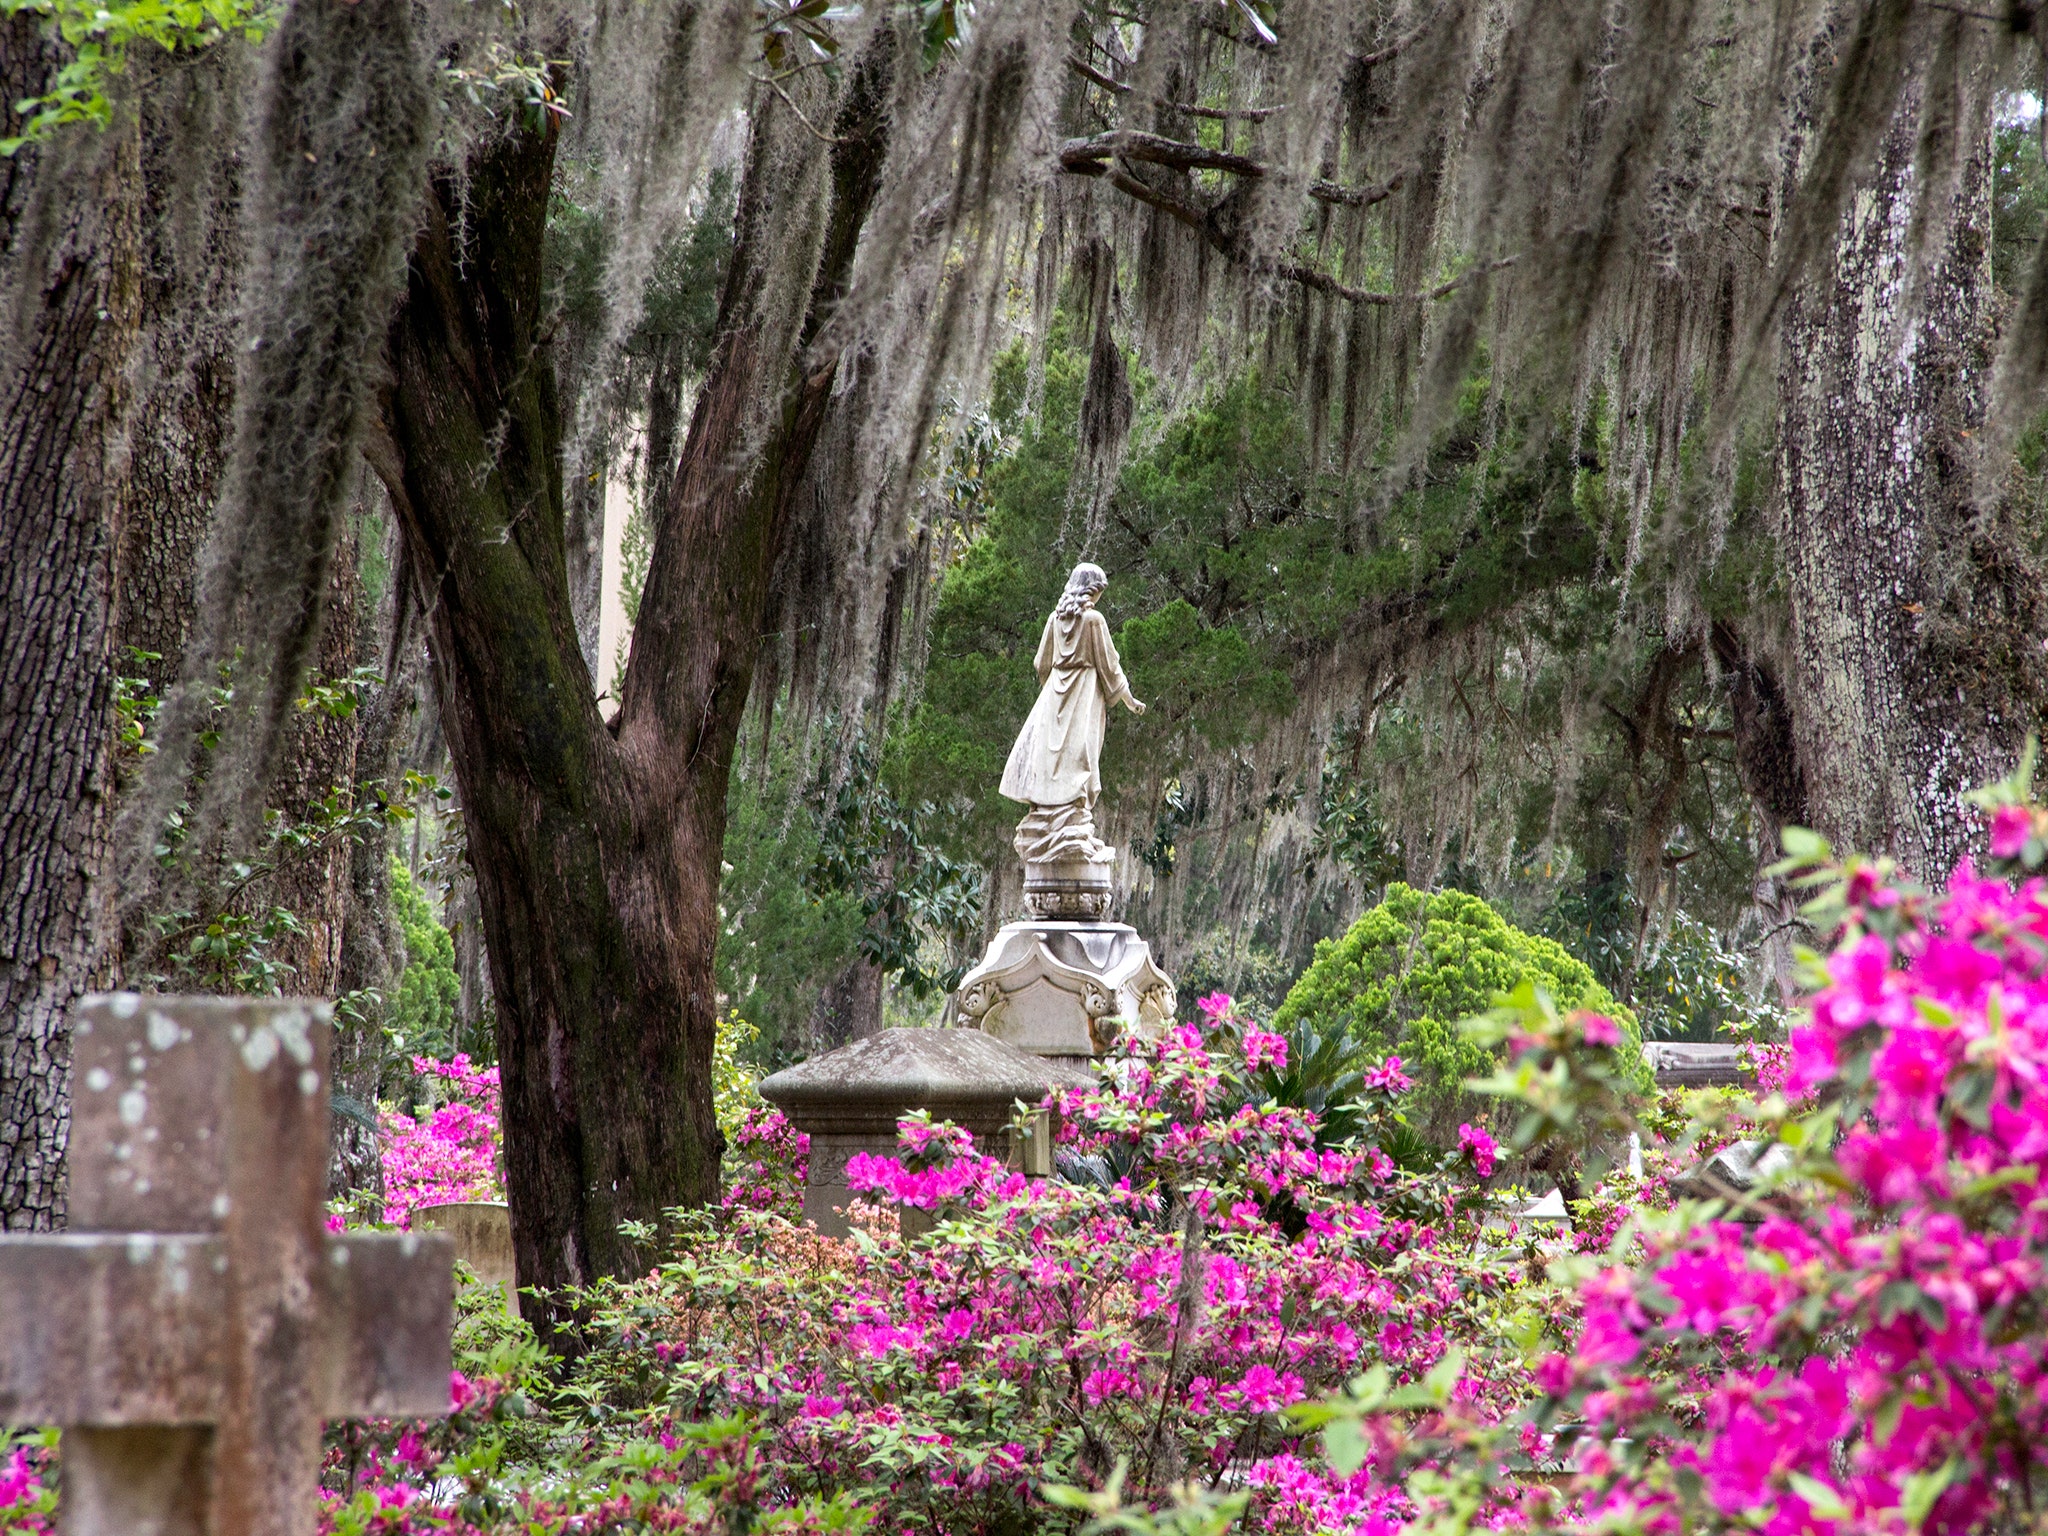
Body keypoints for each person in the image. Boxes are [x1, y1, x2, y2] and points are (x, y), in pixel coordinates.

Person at [1000, 563, 1145, 865]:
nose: (1098, 598)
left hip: (1055, 694)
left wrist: (1053, 690)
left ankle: (1055, 821)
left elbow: (1041, 663)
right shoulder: (1093, 620)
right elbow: (1109, 665)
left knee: (1055, 759)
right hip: (1084, 695)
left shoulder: (1055, 619)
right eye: (1098, 591)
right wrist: (1129, 699)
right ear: (1091, 589)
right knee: (1082, 757)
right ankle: (1070, 822)